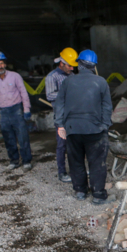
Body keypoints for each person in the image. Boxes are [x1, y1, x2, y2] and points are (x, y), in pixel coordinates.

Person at [53, 50, 113, 205]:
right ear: (93, 66)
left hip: (73, 129)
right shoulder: (101, 82)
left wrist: (60, 125)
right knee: (97, 162)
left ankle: (80, 191)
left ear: (79, 64)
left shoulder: (67, 82)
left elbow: (59, 104)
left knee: (76, 161)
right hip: (95, 130)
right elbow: (107, 107)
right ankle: (98, 195)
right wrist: (105, 125)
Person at [0, 51, 33, 171]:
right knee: (8, 138)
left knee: (23, 137)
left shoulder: (15, 76)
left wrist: (26, 109)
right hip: (3, 112)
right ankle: (14, 161)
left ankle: (26, 161)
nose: (0, 66)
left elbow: (23, 93)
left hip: (16, 110)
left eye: (1, 63)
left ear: (5, 64)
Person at [45, 47, 78, 183]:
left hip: (74, 116)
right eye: (69, 65)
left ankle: (76, 169)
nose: (71, 68)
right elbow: (49, 95)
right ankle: (62, 172)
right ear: (62, 63)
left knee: (75, 144)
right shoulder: (52, 77)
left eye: (73, 66)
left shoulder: (72, 75)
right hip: (61, 118)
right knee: (62, 146)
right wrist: (66, 93)